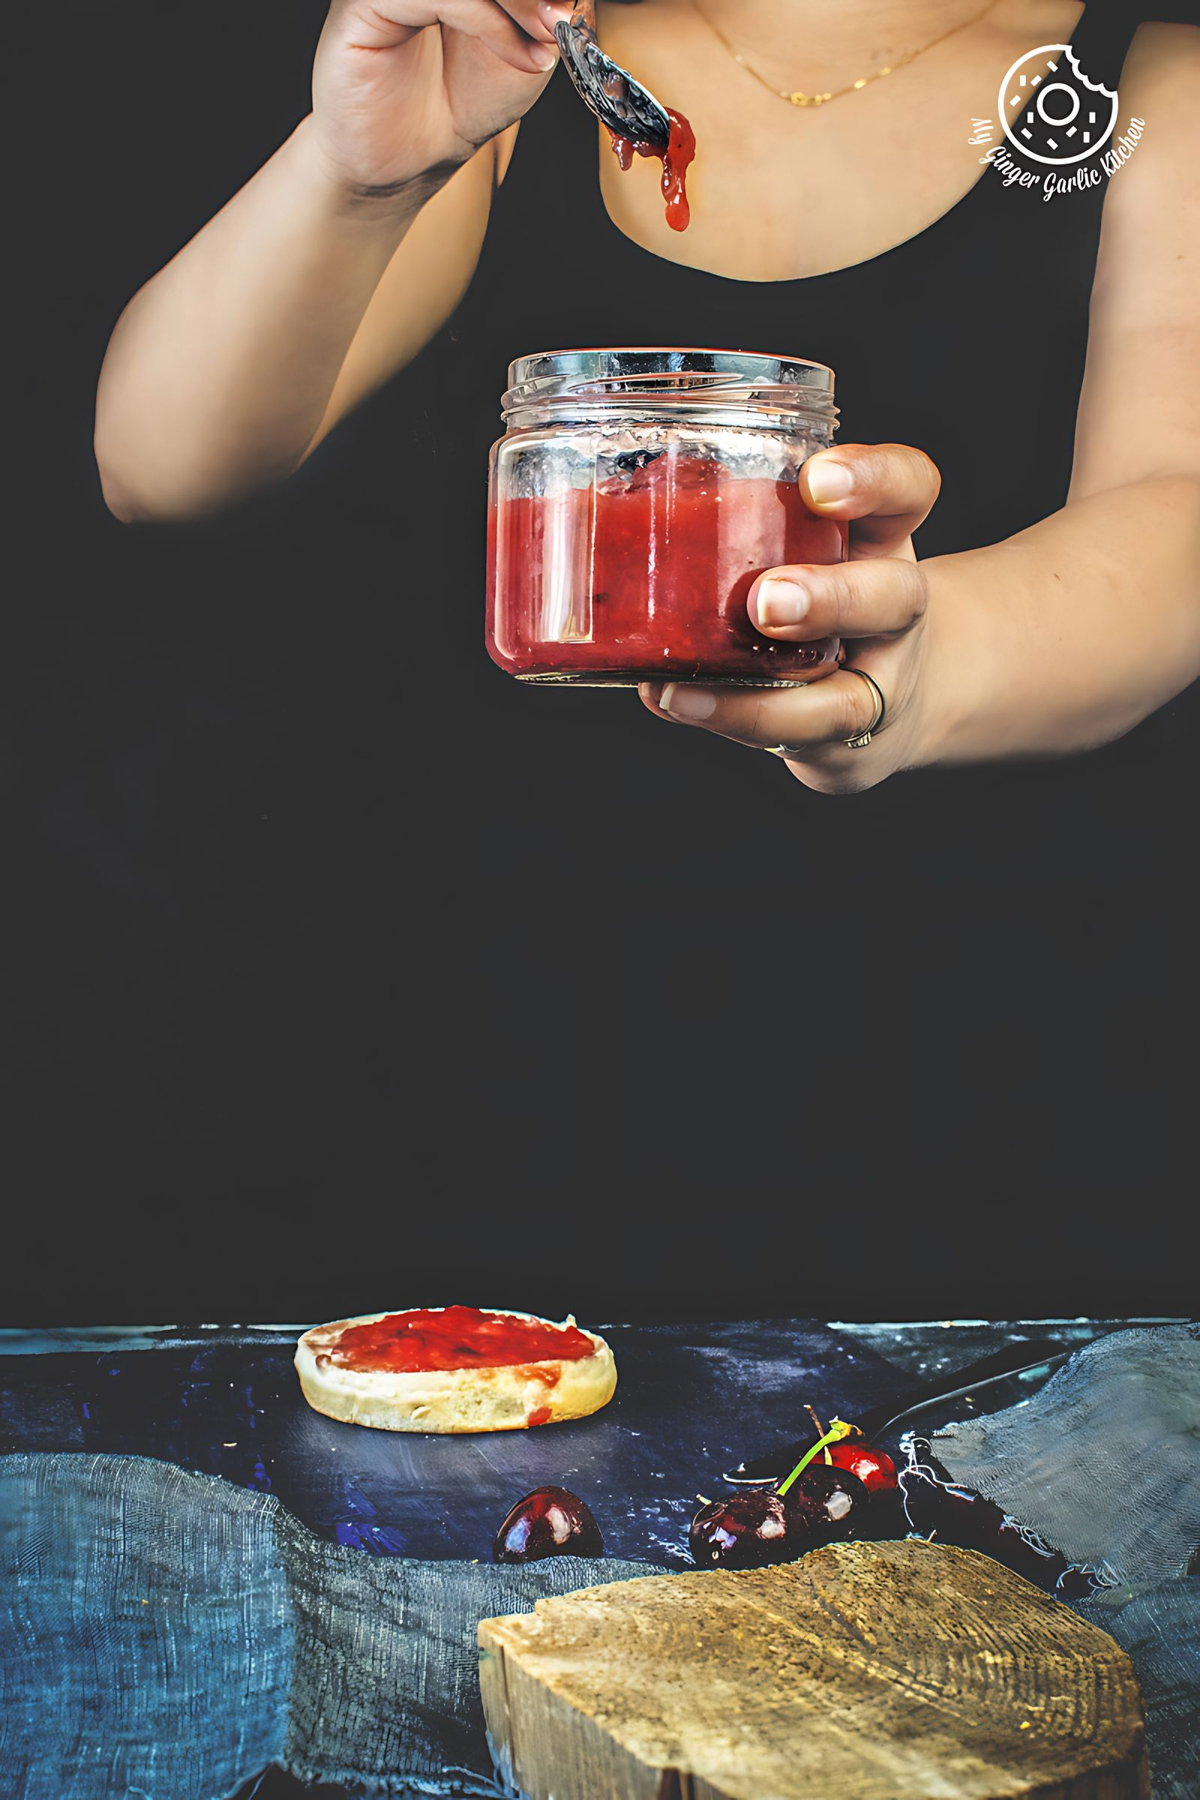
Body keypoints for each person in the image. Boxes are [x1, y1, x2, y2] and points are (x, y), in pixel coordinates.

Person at [93, 0, 1197, 796]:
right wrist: (355, 173)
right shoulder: (504, 52)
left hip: (958, 958)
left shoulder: (1155, 86)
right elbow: (159, 468)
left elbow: (1174, 513)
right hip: (446, 909)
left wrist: (928, 665)